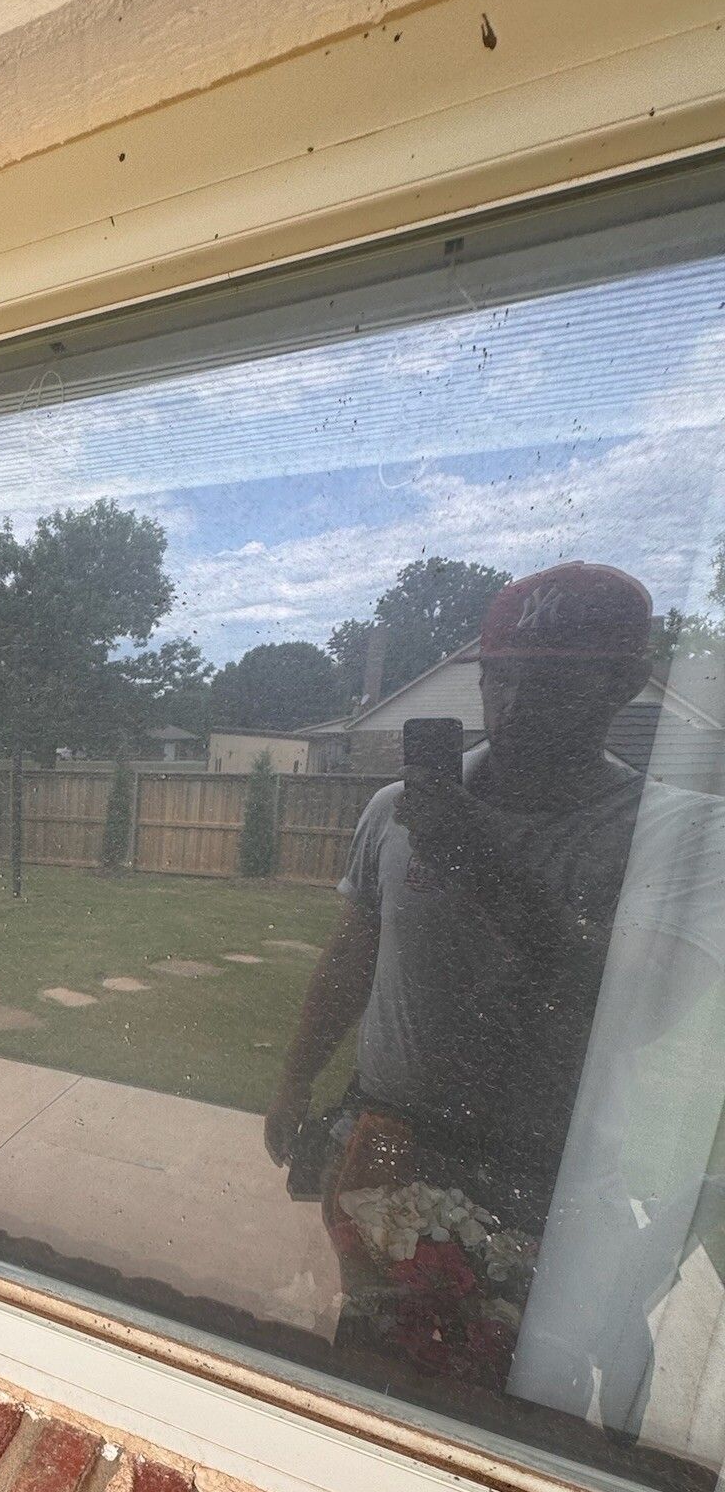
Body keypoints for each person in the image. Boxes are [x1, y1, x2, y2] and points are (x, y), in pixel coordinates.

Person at [265, 562, 658, 1388]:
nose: (514, 706)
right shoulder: (394, 812)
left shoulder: (656, 837)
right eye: (500, 679)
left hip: (535, 1168)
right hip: (388, 1141)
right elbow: (351, 957)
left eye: (551, 683)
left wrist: (480, 861)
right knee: (370, 1356)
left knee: (521, 1382)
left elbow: (629, 1003)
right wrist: (294, 1084)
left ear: (625, 684)